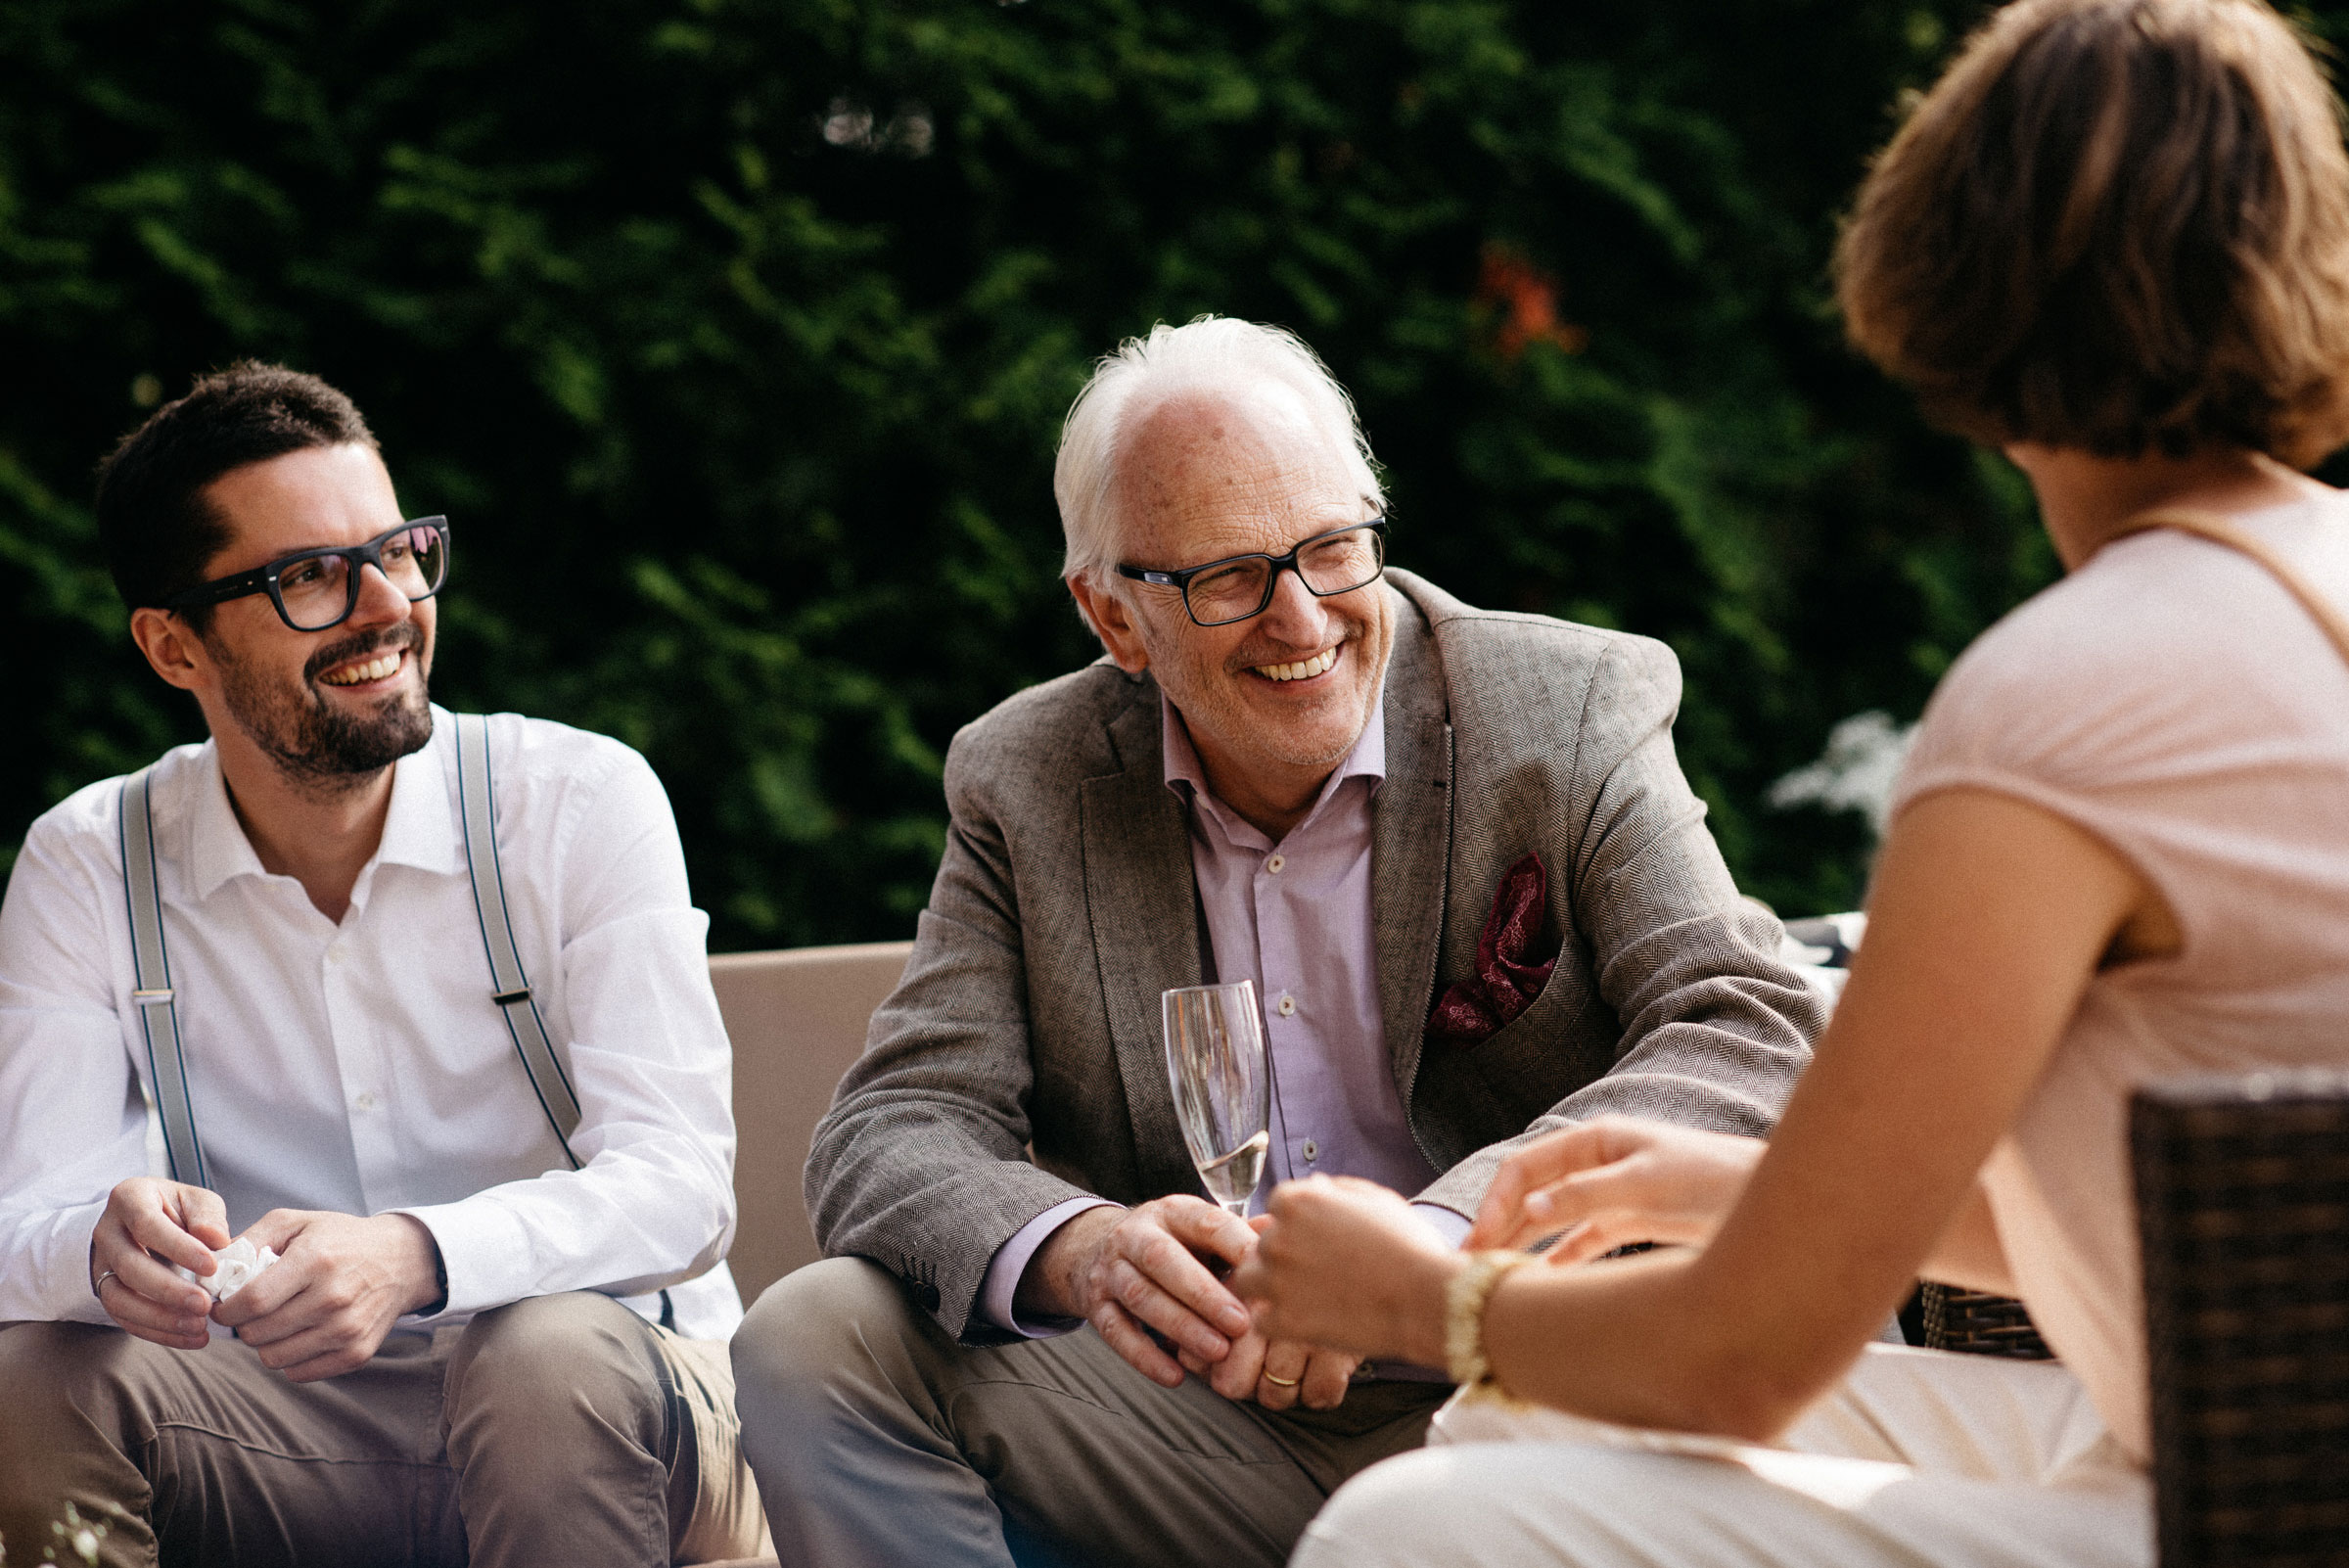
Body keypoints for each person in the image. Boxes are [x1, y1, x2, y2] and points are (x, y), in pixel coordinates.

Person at [1232, 2, 2349, 1564]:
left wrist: (1410, 1294)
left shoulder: (2059, 704)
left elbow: (1744, 1362)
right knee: (1531, 1414)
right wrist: (1741, 1192)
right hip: (2233, 1419)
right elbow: (2236, 1231)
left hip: (2235, 1507)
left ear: (1957, 278)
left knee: (1411, 1526)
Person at [730, 316, 1825, 1567]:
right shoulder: (1025, 780)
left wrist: (1437, 1243)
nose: (1302, 620)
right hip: (1210, 1417)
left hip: (1542, 1385)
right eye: (1229, 577)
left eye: (1331, 550)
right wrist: (1084, 1252)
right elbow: (896, 1123)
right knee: (815, 1336)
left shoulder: (1567, 710)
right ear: (1114, 619)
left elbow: (1749, 1019)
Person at [0, 364, 765, 1567]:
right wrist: (96, 1250)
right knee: (31, 1370)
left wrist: (417, 1255)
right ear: (171, 645)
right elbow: (22, 1231)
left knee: (541, 1359)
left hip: (616, 1403)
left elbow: (683, 1186)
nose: (386, 605)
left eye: (398, 551)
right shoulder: (89, 863)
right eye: (307, 576)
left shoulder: (574, 800)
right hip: (289, 1436)